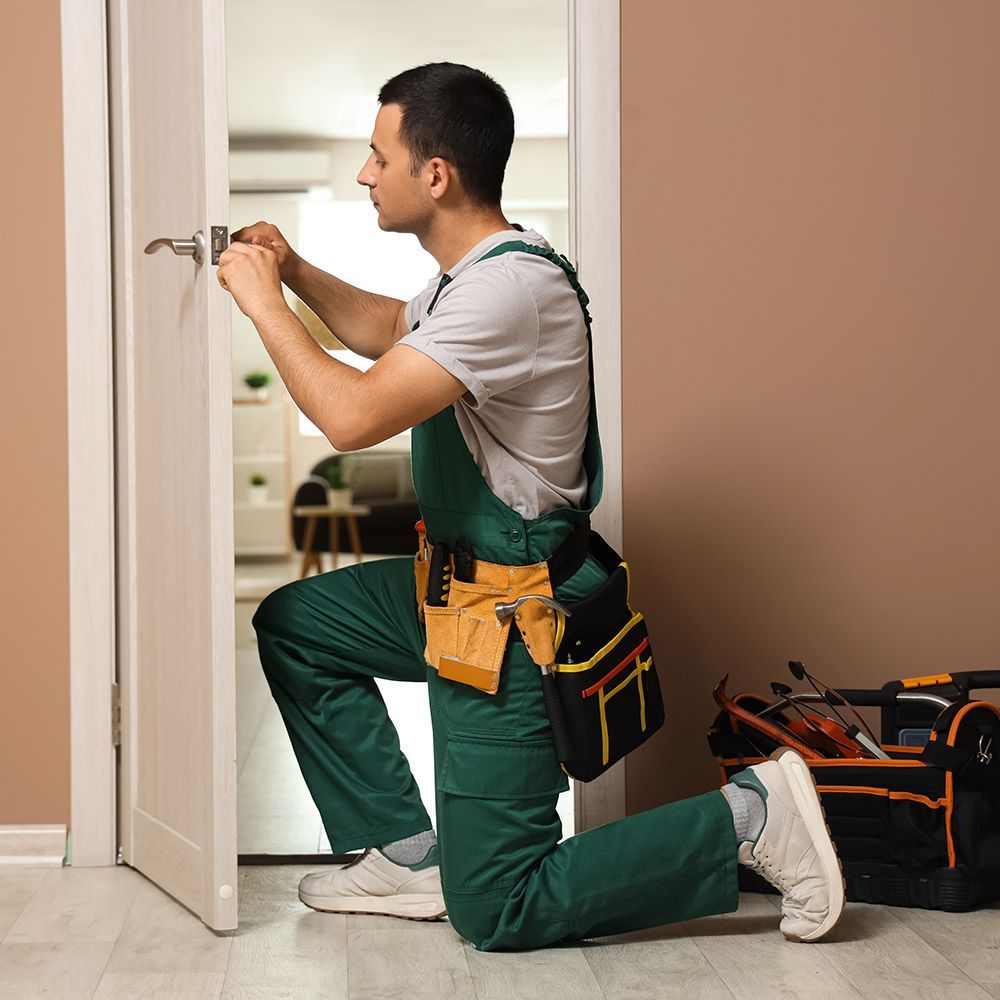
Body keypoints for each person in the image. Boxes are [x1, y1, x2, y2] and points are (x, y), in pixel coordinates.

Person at [217, 61, 845, 951]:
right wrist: (292, 272)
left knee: (499, 908)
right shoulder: (462, 280)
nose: (365, 173)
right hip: (450, 592)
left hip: (509, 621)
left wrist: (256, 305)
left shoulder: (508, 290)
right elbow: (383, 330)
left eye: (376, 155)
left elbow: (351, 415)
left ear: (434, 174)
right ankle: (405, 854)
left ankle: (748, 817)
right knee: (298, 624)